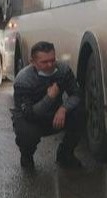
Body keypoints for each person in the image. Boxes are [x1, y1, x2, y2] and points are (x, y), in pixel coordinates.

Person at [11, 41, 84, 169]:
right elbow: (29, 114)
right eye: (44, 62)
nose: (50, 65)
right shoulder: (23, 80)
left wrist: (63, 109)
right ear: (32, 62)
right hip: (31, 119)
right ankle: (27, 156)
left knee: (80, 112)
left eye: (52, 60)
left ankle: (65, 154)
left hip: (55, 115)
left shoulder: (63, 70)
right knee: (25, 131)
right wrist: (49, 98)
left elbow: (77, 94)